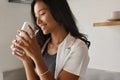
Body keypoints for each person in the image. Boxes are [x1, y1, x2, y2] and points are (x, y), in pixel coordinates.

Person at [11, 0, 90, 80]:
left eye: (42, 14)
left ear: (58, 11)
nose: (38, 22)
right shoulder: (42, 43)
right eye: (36, 17)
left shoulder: (78, 48)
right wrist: (26, 60)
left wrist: (37, 57)